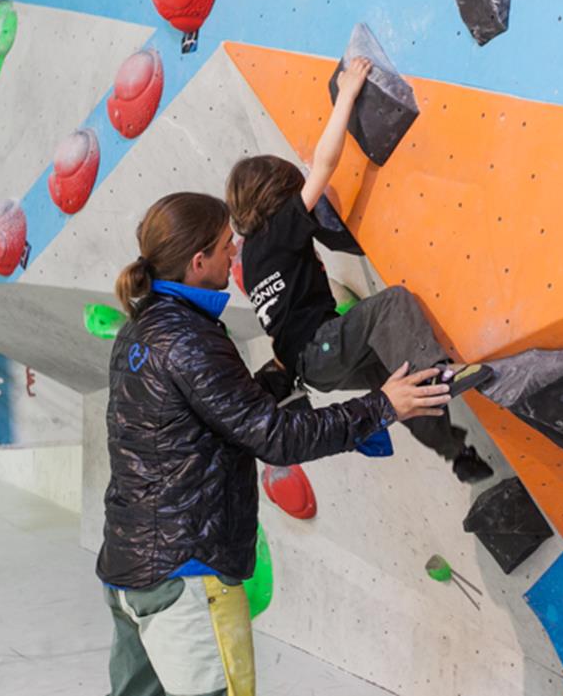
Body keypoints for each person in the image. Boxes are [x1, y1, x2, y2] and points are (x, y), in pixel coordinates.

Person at [98, 192, 450, 696]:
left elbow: (210, 418)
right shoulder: (191, 339)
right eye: (225, 245)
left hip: (130, 569)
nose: (234, 252)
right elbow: (277, 438)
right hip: (187, 578)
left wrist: (278, 374)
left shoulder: (140, 332)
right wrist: (384, 405)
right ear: (197, 262)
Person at [226, 57, 494, 483]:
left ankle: (457, 454)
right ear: (276, 194)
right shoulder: (279, 228)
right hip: (321, 350)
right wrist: (347, 96)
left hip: (315, 370)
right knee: (392, 305)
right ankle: (439, 374)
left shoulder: (254, 257)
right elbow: (324, 165)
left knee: (399, 379)